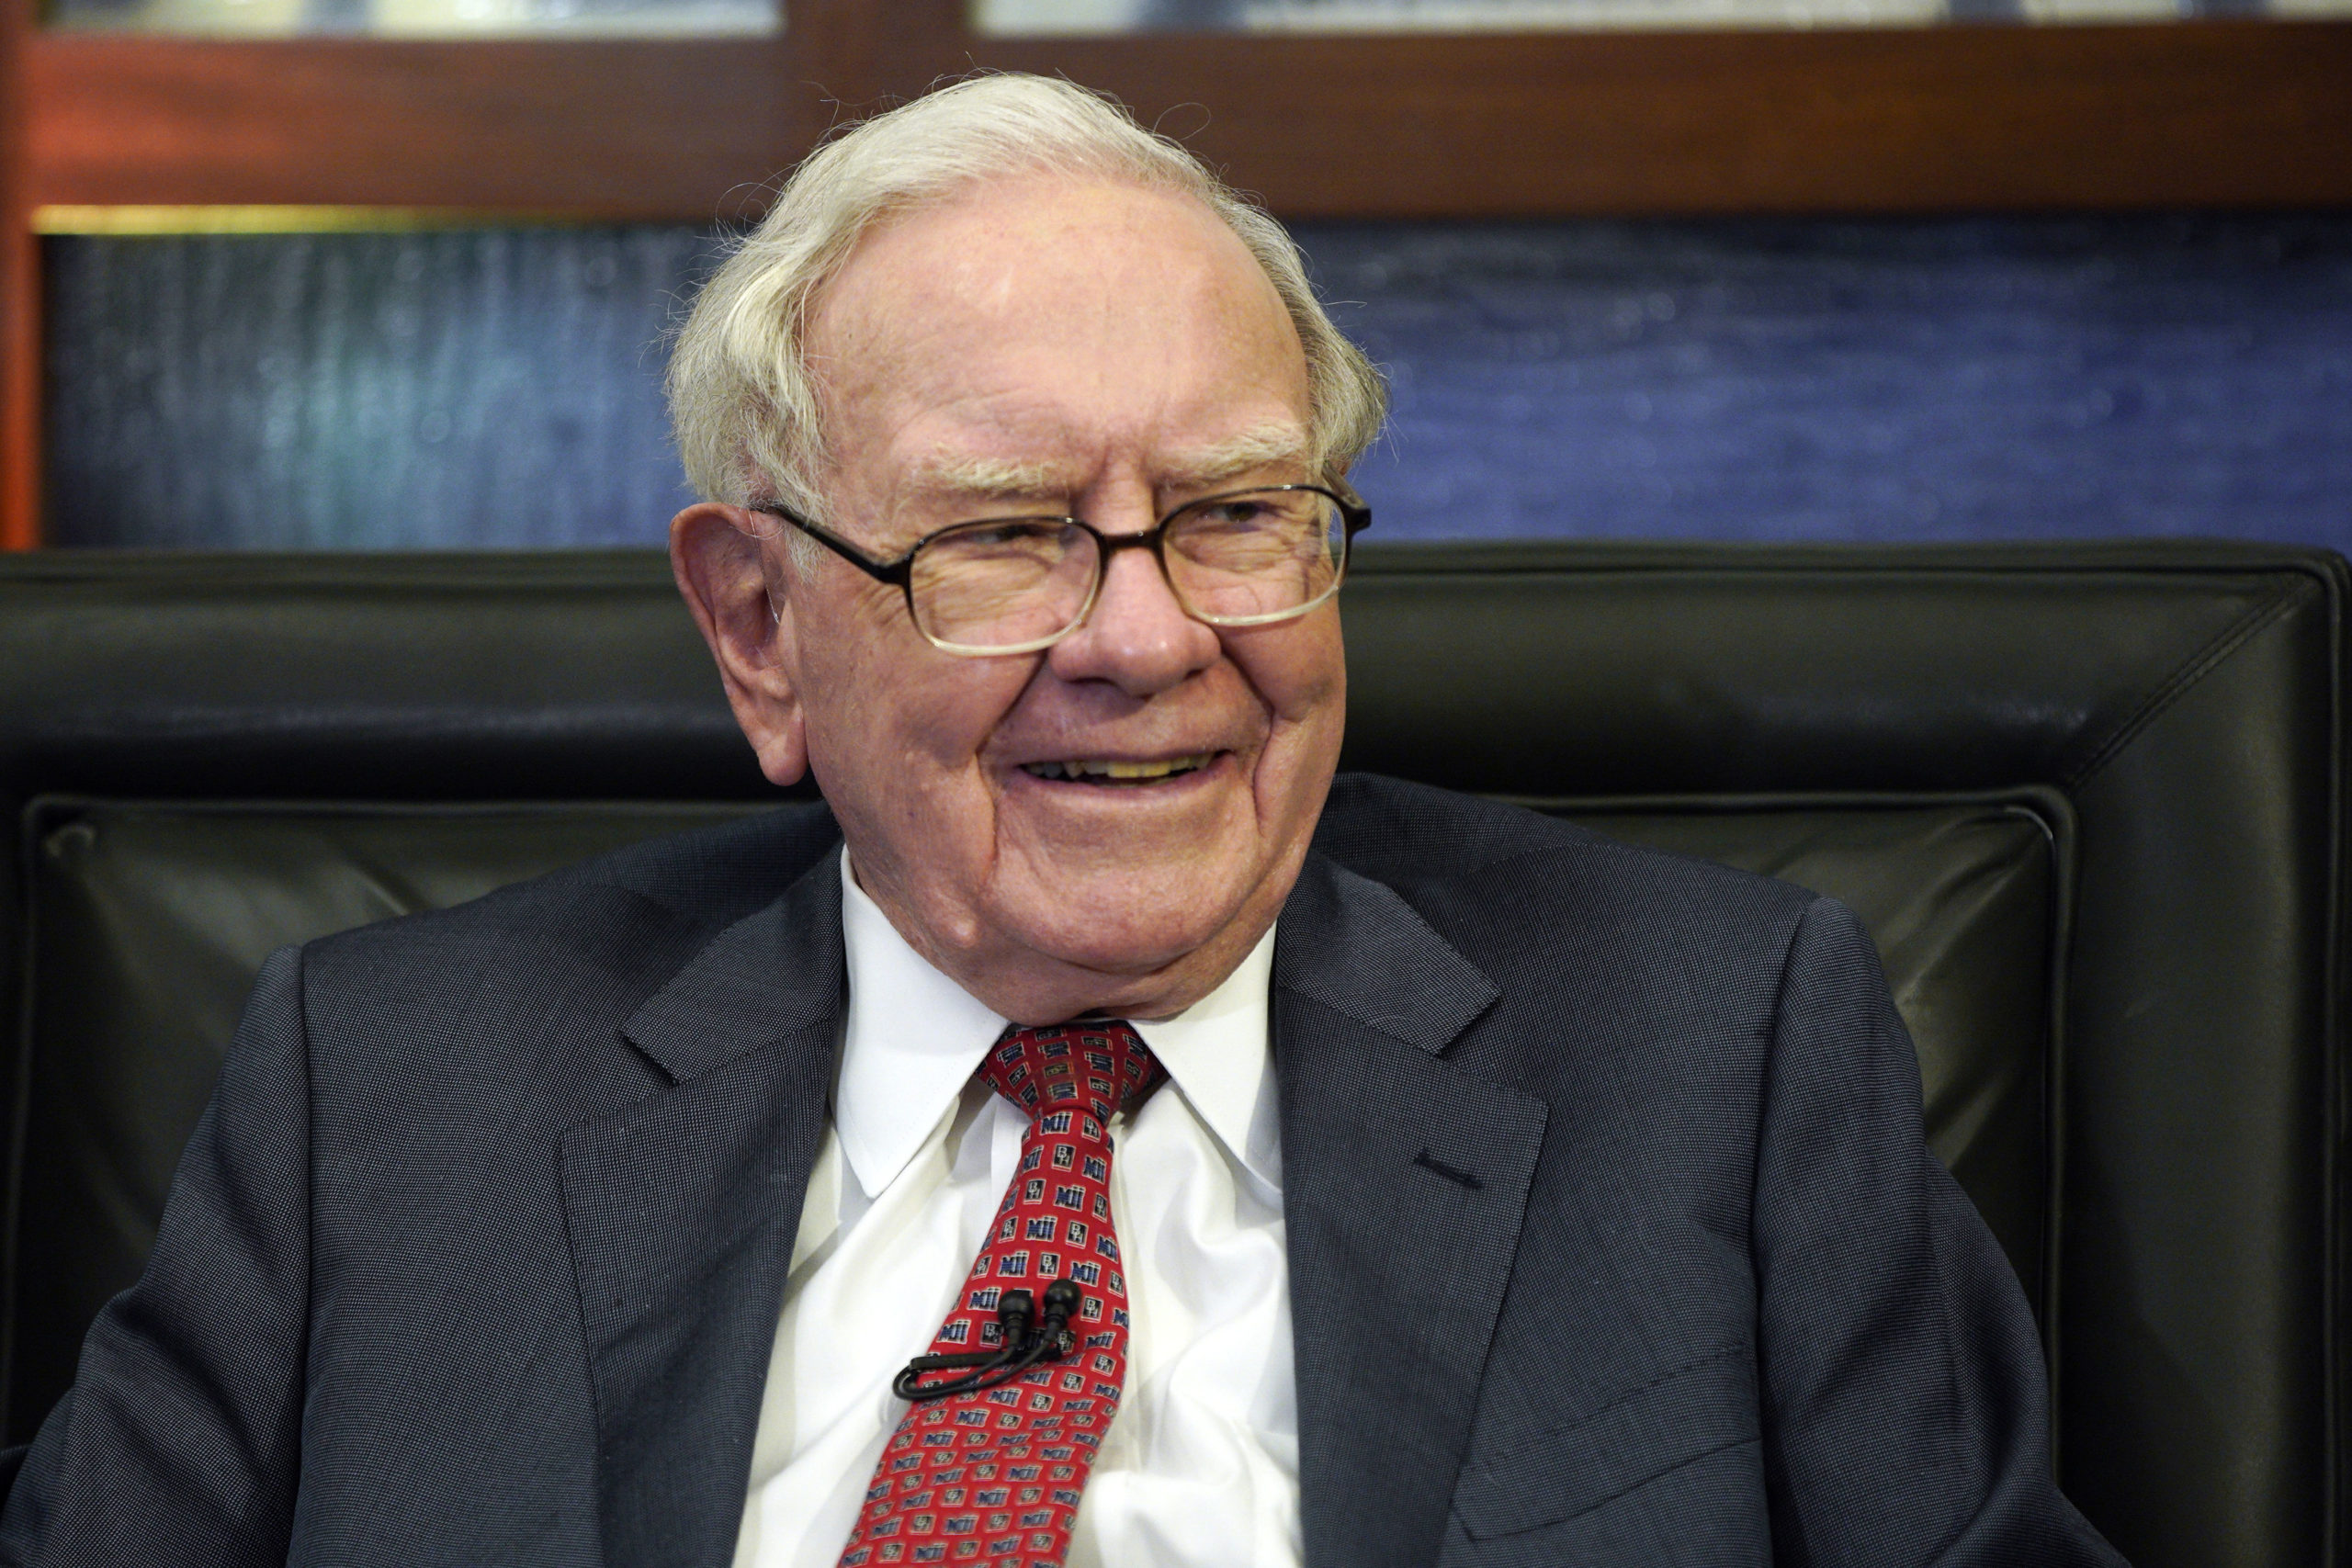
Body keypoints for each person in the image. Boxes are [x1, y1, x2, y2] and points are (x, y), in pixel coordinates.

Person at [0, 73, 2124, 1568]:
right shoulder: (384, 1095)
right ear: (758, 627)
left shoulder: (1715, 1054)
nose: (1145, 637)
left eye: (1233, 516)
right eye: (1004, 536)